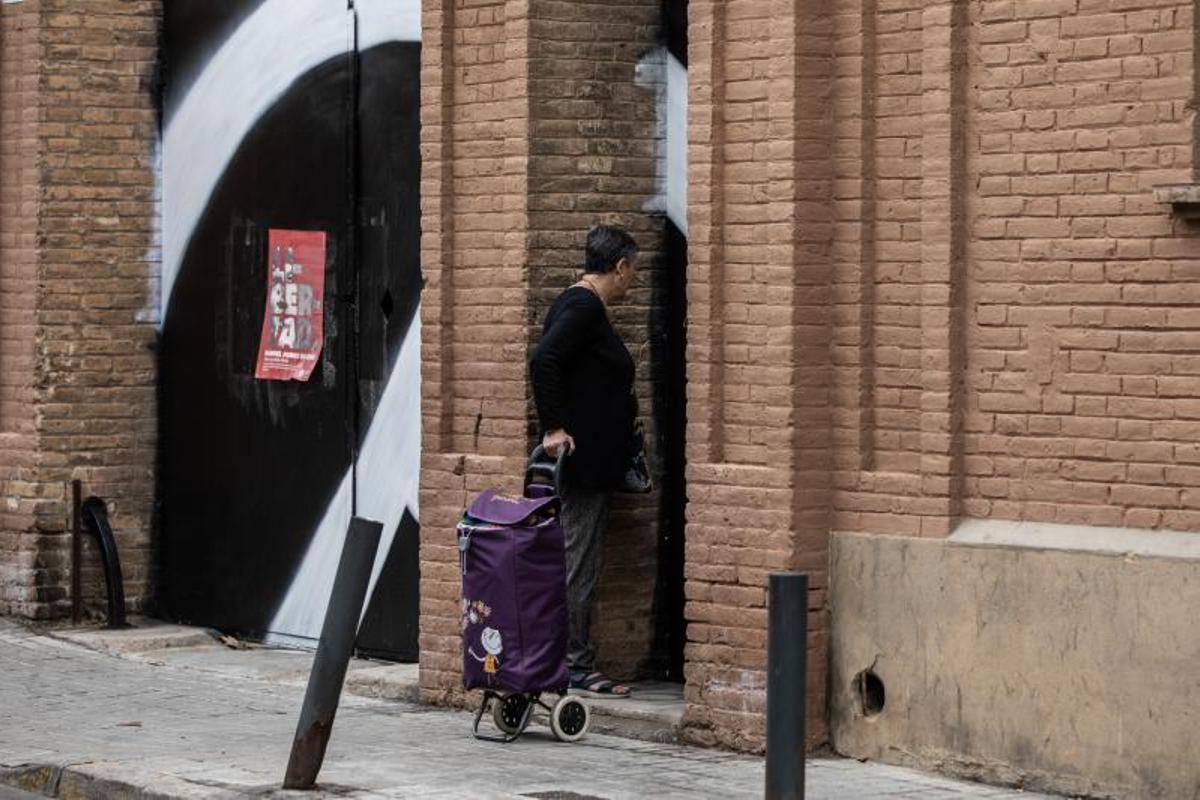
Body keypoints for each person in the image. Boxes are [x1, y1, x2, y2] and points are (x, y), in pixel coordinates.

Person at [530, 224, 639, 697]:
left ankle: (572, 660)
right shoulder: (583, 306)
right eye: (632, 271)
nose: (631, 281)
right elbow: (544, 360)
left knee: (580, 558)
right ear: (619, 266)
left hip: (594, 460)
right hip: (583, 463)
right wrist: (553, 428)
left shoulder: (579, 303)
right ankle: (573, 664)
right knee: (580, 561)